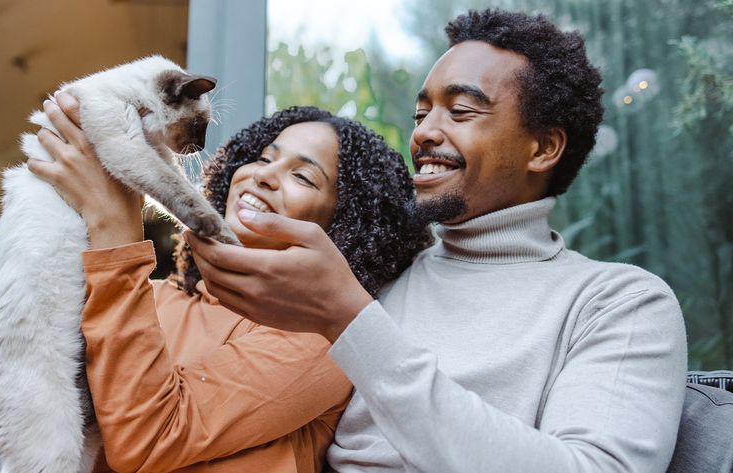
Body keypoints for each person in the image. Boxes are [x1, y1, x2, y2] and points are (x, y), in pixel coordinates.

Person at [186, 9, 688, 473]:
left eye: (462, 110)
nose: (425, 132)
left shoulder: (617, 304)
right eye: (421, 113)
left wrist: (350, 320)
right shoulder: (375, 274)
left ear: (544, 148)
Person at [27, 102, 433, 472]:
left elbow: (147, 441)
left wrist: (113, 224)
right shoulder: (154, 295)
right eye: (263, 158)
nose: (264, 176)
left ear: (343, 227)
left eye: (303, 177)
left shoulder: (320, 337)